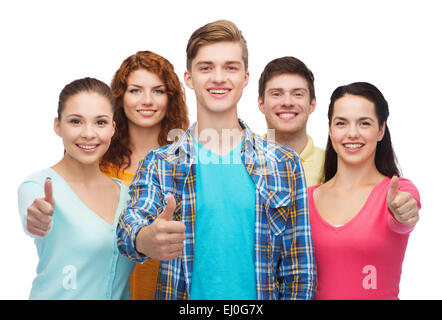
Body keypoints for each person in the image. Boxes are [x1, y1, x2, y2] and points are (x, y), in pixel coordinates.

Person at [117, 20, 316, 300]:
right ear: (189, 78)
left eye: (230, 67)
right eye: (206, 67)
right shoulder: (160, 163)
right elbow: (129, 225)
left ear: (246, 77)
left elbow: (299, 272)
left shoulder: (284, 163)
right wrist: (144, 238)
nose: (219, 77)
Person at [17, 77, 135, 299]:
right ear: (57, 126)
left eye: (100, 122)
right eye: (76, 121)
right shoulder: (37, 186)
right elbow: (31, 217)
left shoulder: (127, 195)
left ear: (112, 128)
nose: (89, 133)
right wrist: (35, 220)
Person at [308, 82, 421, 300]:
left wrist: (405, 213)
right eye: (341, 123)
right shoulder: (306, 199)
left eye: (364, 123)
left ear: (381, 131)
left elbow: (406, 210)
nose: (352, 133)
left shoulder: (397, 191)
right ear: (330, 130)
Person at [100, 51, 189, 300]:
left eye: (158, 91)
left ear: (170, 99)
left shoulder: (188, 162)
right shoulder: (99, 163)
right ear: (120, 97)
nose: (147, 100)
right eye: (136, 90)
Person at [258, 56, 325, 186]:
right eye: (276, 94)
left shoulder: (332, 164)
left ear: (312, 104)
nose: (287, 102)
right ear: (261, 104)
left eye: (298, 94)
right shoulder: (244, 161)